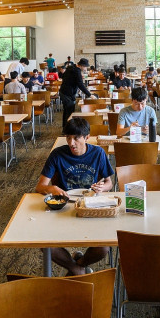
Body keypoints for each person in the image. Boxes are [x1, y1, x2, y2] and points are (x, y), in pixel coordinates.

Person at [35, 117, 114, 275]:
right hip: (64, 207)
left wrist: (102, 187)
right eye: (68, 138)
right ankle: (76, 268)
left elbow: (109, 183)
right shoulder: (57, 154)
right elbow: (40, 186)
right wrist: (52, 188)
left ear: (86, 137)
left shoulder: (98, 153)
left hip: (90, 206)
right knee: (45, 244)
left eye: (76, 138)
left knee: (103, 247)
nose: (71, 143)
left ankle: (80, 264)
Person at [59, 57, 92, 128]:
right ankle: (68, 130)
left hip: (63, 91)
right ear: (82, 66)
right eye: (86, 67)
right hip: (68, 93)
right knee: (70, 112)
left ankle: (65, 128)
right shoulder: (77, 72)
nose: (86, 69)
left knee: (66, 111)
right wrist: (89, 95)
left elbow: (64, 76)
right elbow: (80, 85)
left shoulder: (71, 67)